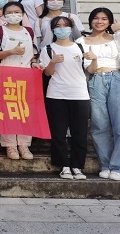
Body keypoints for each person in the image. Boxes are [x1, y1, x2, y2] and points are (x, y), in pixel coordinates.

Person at [76, 7, 120, 181]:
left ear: (109, 21)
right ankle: (106, 165)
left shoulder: (118, 37)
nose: (99, 21)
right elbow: (87, 68)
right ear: (90, 20)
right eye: (96, 18)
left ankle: (119, 167)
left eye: (104, 18)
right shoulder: (81, 41)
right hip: (95, 81)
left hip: (119, 79)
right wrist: (94, 59)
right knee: (99, 125)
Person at [0, 1, 42, 160]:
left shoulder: (28, 32)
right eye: (9, 12)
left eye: (17, 12)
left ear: (23, 14)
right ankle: (10, 145)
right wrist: (12, 51)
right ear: (4, 15)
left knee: (25, 110)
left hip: (26, 76)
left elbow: (33, 54)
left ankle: (24, 144)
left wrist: (34, 63)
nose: (13, 15)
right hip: (5, 75)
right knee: (7, 110)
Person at [39, 16, 90, 180]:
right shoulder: (48, 49)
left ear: (71, 28)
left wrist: (94, 59)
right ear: (53, 30)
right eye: (58, 26)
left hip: (80, 94)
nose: (62, 28)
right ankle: (64, 166)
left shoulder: (80, 46)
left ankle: (77, 166)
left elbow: (90, 69)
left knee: (79, 133)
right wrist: (53, 62)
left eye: (65, 25)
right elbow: (47, 73)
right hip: (56, 94)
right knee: (58, 133)